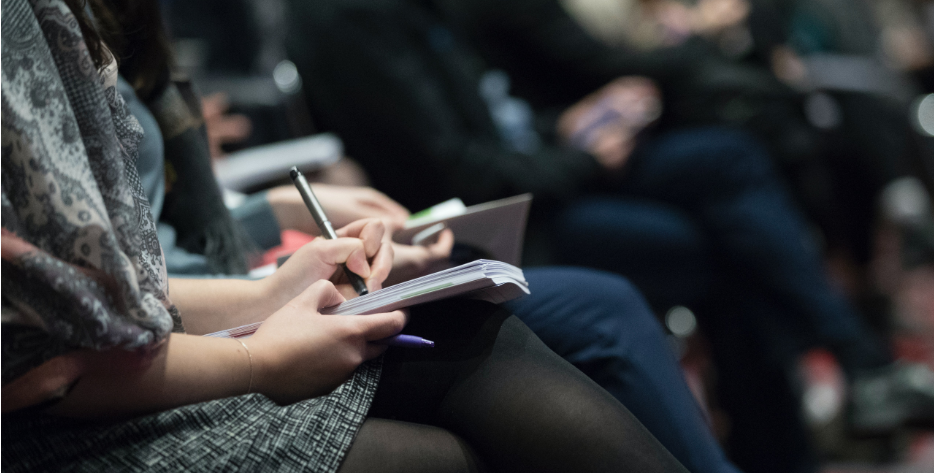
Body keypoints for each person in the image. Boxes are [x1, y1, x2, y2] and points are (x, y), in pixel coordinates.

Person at [0, 0, 693, 471]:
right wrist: (259, 352)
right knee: (465, 431)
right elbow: (50, 353)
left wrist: (271, 287)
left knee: (484, 324)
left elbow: (122, 285)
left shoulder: (82, 20)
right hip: (64, 420)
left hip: (170, 327)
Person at [281, 1, 934, 472]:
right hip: (482, 228)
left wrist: (570, 128)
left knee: (728, 159)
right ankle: (826, 398)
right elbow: (462, 170)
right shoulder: (352, 18)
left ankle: (835, 387)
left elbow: (499, 115)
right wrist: (584, 155)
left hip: (537, 176)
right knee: (712, 249)